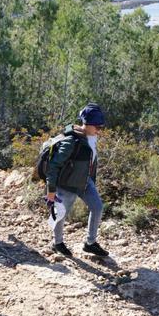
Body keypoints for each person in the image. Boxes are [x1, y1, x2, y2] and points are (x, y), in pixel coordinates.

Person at [44, 103, 109, 258]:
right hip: (66, 185)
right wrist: (51, 191)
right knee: (60, 214)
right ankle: (57, 243)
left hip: (85, 183)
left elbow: (92, 162)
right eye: (97, 127)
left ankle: (90, 243)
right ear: (86, 124)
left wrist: (91, 180)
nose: (99, 131)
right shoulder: (71, 141)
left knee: (97, 207)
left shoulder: (92, 138)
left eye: (100, 127)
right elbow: (53, 166)